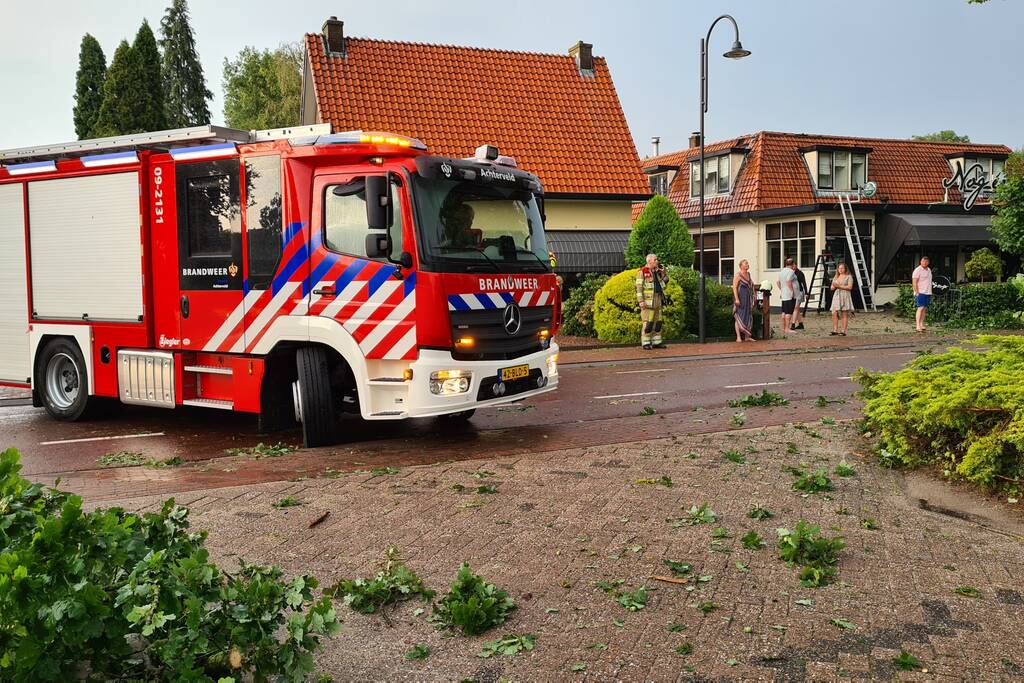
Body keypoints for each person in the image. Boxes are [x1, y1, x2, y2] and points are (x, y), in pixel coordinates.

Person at [636, 253, 669, 350]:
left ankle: (657, 342)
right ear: (649, 261)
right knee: (648, 323)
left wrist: (664, 272)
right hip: (648, 301)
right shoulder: (642, 272)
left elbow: (665, 281)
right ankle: (645, 342)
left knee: (658, 322)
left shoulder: (657, 271)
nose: (657, 261)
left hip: (658, 299)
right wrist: (641, 301)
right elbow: (639, 288)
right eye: (655, 260)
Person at [732, 259, 756, 342]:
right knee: (739, 317)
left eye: (747, 263)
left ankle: (747, 337)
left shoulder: (748, 274)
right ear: (741, 265)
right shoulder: (738, 275)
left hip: (748, 299)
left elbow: (751, 285)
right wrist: (737, 299)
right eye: (746, 263)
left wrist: (753, 296)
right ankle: (738, 337)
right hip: (740, 298)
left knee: (748, 316)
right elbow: (734, 287)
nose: (747, 264)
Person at [829, 262, 854, 336]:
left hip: (845, 295)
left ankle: (843, 331)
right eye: (839, 268)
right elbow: (832, 288)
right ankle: (835, 330)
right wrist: (834, 286)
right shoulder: (836, 276)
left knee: (844, 313)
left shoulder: (849, 277)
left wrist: (839, 286)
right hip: (837, 295)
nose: (840, 269)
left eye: (842, 268)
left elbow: (850, 287)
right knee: (834, 312)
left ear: (845, 269)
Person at [777, 257, 798, 337]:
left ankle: (784, 327)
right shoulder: (791, 272)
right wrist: (792, 291)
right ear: (792, 264)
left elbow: (778, 282)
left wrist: (782, 290)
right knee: (789, 312)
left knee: (784, 312)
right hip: (789, 295)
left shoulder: (782, 271)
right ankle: (787, 328)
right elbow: (788, 281)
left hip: (784, 294)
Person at [912, 256, 933, 332]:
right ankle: (917, 325)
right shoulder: (917, 270)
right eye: (923, 261)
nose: (925, 263)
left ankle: (921, 324)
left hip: (928, 292)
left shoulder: (929, 270)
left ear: (928, 262)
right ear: (920, 262)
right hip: (920, 292)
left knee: (924, 309)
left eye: (926, 261)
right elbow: (914, 282)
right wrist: (916, 292)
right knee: (920, 308)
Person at [791, 263, 808, 331]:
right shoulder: (790, 273)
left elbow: (804, 283)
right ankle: (800, 324)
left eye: (794, 265)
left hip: (799, 292)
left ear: (796, 265)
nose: (793, 266)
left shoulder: (800, 273)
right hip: (793, 293)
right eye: (792, 265)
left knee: (795, 308)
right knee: (797, 309)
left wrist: (806, 293)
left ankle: (793, 324)